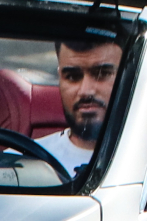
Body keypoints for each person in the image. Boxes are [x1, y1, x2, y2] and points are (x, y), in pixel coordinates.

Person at [38, 37, 122, 173]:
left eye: (102, 74)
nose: (85, 91)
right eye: (72, 76)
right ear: (60, 77)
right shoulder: (23, 161)